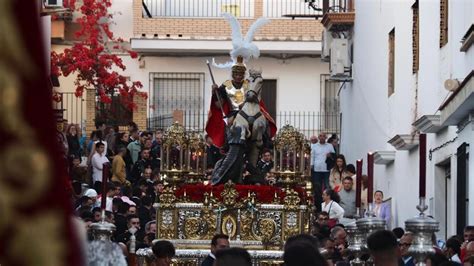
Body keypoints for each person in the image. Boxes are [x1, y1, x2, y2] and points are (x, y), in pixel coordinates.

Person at [205, 56, 276, 149]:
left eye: (241, 74)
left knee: (262, 121)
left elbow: (256, 99)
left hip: (249, 111)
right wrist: (215, 93)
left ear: (243, 75)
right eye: (236, 74)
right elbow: (218, 105)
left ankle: (265, 140)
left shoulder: (249, 84)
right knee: (228, 123)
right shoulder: (225, 86)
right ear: (233, 74)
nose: (238, 76)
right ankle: (226, 143)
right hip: (233, 113)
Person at [311, 132, 335, 210]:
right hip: (317, 168)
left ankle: (328, 202)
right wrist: (311, 165)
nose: (322, 137)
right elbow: (312, 156)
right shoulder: (314, 146)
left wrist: (330, 155)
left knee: (327, 186)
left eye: (323, 136)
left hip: (326, 169)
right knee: (317, 187)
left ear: (326, 137)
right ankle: (319, 203)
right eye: (320, 136)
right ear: (318, 137)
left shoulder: (329, 146)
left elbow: (334, 155)